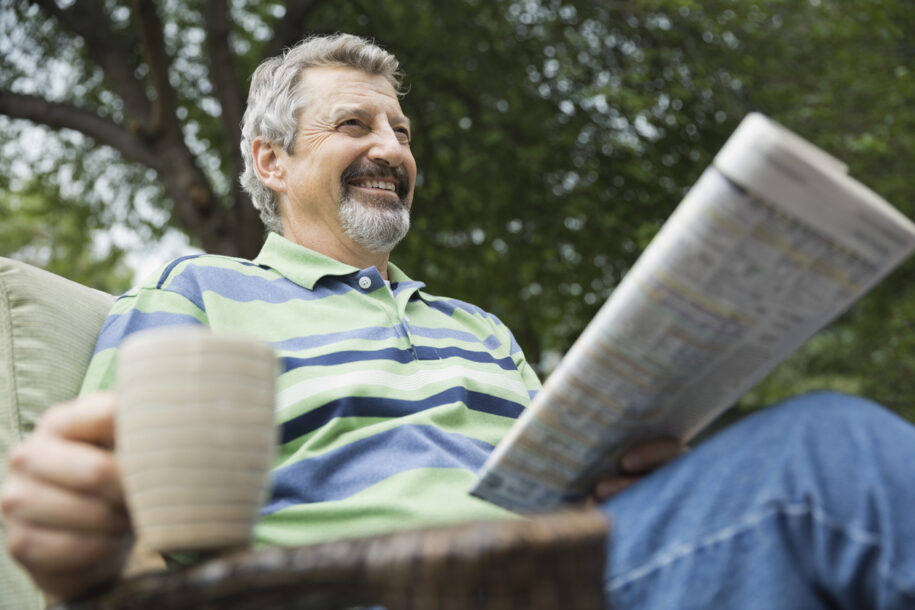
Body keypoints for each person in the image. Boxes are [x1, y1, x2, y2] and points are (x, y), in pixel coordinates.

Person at [2, 33, 914, 609]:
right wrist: (85, 554)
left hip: (579, 572)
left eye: (401, 132)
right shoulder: (193, 290)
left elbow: (561, 484)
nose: (390, 149)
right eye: (353, 124)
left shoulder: (481, 329)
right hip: (372, 588)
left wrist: (632, 480)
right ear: (271, 163)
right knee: (823, 455)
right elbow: (113, 510)